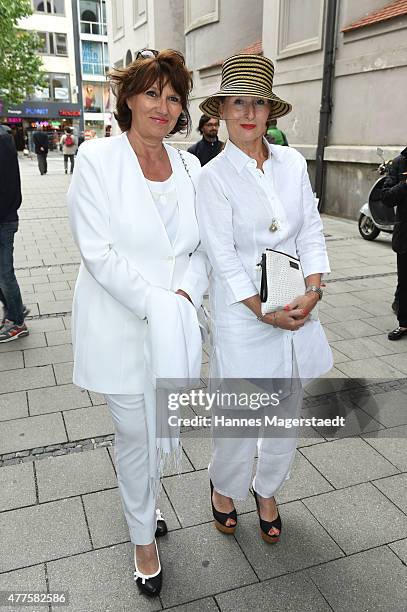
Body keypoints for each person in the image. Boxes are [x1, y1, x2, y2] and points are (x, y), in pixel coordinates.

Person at [67, 49, 208, 598]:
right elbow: (96, 252)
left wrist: (182, 295)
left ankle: (143, 505)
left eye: (174, 98)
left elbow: (201, 250)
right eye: (152, 93)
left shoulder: (192, 167)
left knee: (159, 426)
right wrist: (154, 302)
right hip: (121, 322)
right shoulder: (97, 158)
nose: (163, 106)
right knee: (135, 434)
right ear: (127, 98)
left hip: (172, 324)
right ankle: (141, 537)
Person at [197, 54, 332, 543]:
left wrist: (313, 291)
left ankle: (267, 488)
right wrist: (263, 311)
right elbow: (223, 256)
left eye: (258, 103)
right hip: (244, 315)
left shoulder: (292, 163)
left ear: (269, 111)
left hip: (296, 305)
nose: (248, 112)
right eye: (238, 102)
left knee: (285, 410)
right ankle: (224, 486)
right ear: (223, 112)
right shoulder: (212, 178)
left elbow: (311, 231)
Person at [0, 124, 29, 342]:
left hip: (3, 219)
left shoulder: (2, 139)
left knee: (4, 273)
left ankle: (17, 321)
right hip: (5, 216)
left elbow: (9, 186)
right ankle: (15, 309)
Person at [382, 147, 407, 340]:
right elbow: (387, 198)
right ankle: (404, 324)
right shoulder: (399, 162)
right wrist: (405, 184)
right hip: (405, 234)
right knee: (405, 282)